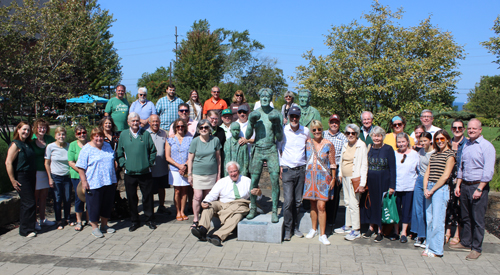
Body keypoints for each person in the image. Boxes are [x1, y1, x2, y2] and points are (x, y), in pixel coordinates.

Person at [451, 119, 496, 260]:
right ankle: (465, 242)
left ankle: (476, 248)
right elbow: (461, 167)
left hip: (478, 186)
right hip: (465, 185)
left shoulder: (486, 146)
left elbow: (488, 171)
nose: (471, 131)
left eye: (474, 129)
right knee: (465, 216)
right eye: (469, 128)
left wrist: (480, 188)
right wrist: (458, 185)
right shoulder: (467, 145)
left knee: (477, 219)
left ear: (480, 130)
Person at [191, 161, 261, 246]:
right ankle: (202, 230)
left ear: (238, 171)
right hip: (222, 204)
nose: (233, 174)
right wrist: (204, 202)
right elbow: (212, 194)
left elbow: (257, 197)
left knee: (237, 216)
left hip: (239, 204)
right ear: (228, 172)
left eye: (235, 171)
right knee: (209, 206)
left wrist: (258, 193)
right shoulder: (222, 181)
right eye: (231, 172)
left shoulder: (247, 181)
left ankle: (217, 236)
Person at [245, 88, 283, 223]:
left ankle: (274, 211)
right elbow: (247, 135)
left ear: (271, 98)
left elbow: (279, 137)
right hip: (258, 148)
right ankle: (253, 208)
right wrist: (250, 122)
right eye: (263, 96)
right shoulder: (255, 113)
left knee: (274, 181)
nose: (265, 98)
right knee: (254, 180)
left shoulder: (276, 114)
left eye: (267, 96)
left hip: (271, 149)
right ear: (259, 98)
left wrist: (277, 124)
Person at [116, 112, 158, 232]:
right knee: (131, 198)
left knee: (148, 197)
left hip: (145, 172)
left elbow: (153, 151)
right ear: (128, 122)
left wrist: (148, 163)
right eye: (133, 121)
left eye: (137, 121)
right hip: (130, 173)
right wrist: (124, 164)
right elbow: (119, 153)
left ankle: (149, 219)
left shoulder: (145, 134)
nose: (135, 123)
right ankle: (135, 221)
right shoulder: (124, 135)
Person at [76, 127, 117, 238]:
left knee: (106, 205)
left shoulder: (107, 146)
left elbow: (113, 161)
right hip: (93, 182)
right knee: (94, 206)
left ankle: (104, 225)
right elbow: (80, 167)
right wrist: (84, 181)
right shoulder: (86, 148)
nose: (99, 139)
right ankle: (94, 227)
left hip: (109, 181)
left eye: (100, 136)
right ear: (92, 137)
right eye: (96, 136)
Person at [422, 130, 455, 257]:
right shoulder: (434, 154)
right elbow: (427, 172)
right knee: (429, 220)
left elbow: (445, 175)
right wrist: (426, 188)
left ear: (447, 139)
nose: (439, 141)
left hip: (440, 189)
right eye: (437, 139)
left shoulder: (450, 155)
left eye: (442, 139)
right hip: (430, 187)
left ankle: (437, 250)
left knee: (438, 221)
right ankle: (429, 246)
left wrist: (432, 189)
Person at [360, 126, 396, 243]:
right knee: (371, 204)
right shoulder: (369, 148)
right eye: (374, 135)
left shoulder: (388, 149)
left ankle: (380, 230)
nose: (376, 138)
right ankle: (371, 227)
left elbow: (392, 169)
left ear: (383, 137)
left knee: (380, 205)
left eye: (379, 135)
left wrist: (392, 186)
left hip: (383, 181)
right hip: (371, 181)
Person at [279, 106, 309, 241]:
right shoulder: (283, 130)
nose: (294, 119)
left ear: (299, 117)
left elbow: (309, 148)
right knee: (288, 201)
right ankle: (287, 229)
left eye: (296, 116)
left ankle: (295, 227)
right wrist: (281, 165)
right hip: (287, 170)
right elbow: (278, 148)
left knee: (297, 201)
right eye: (292, 116)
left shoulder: (305, 131)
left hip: (301, 170)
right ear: (289, 117)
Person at [303, 120, 335, 245]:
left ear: (322, 130)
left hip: (323, 179)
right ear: (311, 131)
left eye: (319, 129)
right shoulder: (307, 143)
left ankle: (323, 234)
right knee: (312, 204)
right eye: (314, 130)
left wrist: (333, 178)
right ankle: (313, 228)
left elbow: (332, 163)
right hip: (310, 177)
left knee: (321, 206)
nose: (317, 132)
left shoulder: (328, 144)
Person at [335, 124, 367, 240]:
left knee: (354, 204)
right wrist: (340, 174)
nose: (350, 135)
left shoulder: (361, 146)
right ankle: (348, 225)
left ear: (357, 134)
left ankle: (356, 229)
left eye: (353, 133)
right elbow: (341, 161)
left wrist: (362, 183)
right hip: (345, 177)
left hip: (355, 178)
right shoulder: (345, 145)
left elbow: (364, 165)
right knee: (347, 202)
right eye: (348, 133)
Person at [187, 119, 221, 230]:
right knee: (197, 197)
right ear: (198, 129)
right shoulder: (195, 141)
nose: (203, 129)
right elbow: (190, 158)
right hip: (197, 173)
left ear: (210, 129)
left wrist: (219, 174)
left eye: (206, 127)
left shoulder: (215, 140)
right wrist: (189, 174)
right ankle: (196, 219)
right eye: (201, 128)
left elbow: (218, 158)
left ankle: (205, 219)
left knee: (208, 198)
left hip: (211, 174)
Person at [5, 122, 37, 237]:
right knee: (29, 202)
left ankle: (30, 226)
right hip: (22, 176)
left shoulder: (27, 143)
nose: (26, 132)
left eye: (28, 130)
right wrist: (12, 180)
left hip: (31, 175)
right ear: (18, 130)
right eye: (24, 130)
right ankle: (25, 230)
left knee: (28, 202)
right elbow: (8, 162)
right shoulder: (16, 144)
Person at [393, 133, 419, 243]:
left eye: (403, 141)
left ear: (407, 142)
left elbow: (418, 170)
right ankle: (395, 231)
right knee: (396, 210)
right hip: (396, 186)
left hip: (409, 186)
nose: (401, 144)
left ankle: (404, 232)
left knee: (406, 210)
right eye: (399, 142)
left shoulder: (414, 154)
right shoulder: (394, 153)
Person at [44, 126, 72, 230]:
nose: (61, 136)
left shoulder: (69, 146)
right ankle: (59, 220)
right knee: (57, 199)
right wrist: (50, 178)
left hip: (67, 176)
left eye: (63, 134)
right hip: (56, 176)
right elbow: (46, 163)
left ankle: (68, 218)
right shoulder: (50, 147)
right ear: (55, 136)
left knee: (68, 198)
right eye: (59, 134)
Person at [166, 118, 193, 221]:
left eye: (182, 126)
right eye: (178, 126)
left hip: (186, 168)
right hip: (174, 169)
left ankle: (183, 211)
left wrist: (185, 165)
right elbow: (167, 157)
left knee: (185, 190)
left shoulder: (189, 139)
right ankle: (177, 211)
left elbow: (191, 154)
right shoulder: (170, 139)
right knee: (177, 190)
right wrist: (179, 166)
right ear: (175, 128)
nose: (180, 128)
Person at [323, 114, 347, 229]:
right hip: (323, 168)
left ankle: (331, 220)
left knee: (335, 195)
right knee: (323, 194)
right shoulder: (323, 134)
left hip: (336, 168)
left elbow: (344, 156)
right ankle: (322, 218)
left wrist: (340, 173)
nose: (334, 124)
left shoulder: (343, 137)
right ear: (329, 123)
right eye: (332, 122)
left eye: (336, 122)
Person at [31, 118, 56, 230]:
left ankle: (43, 219)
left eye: (44, 127)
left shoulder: (49, 139)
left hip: (47, 172)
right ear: (36, 128)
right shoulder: (31, 140)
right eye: (40, 127)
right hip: (35, 172)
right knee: (35, 198)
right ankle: (34, 221)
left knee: (43, 197)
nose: (42, 129)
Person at [411, 131, 435, 248]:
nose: (423, 143)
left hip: (429, 181)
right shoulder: (420, 151)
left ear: (430, 141)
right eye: (421, 141)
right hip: (419, 180)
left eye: (425, 140)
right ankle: (420, 234)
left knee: (427, 210)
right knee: (418, 209)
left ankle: (427, 236)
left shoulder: (434, 153)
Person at [446, 119, 467, 245]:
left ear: (463, 129)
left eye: (460, 128)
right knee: (448, 205)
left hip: (460, 178)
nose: (457, 130)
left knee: (459, 206)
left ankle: (457, 233)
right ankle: (447, 231)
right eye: (454, 128)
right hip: (448, 178)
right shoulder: (448, 142)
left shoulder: (467, 143)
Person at [147, 115, 170, 215]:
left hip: (162, 166)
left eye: (157, 121)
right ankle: (150, 208)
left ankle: (161, 206)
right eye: (153, 121)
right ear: (149, 123)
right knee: (150, 190)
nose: (155, 123)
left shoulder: (164, 133)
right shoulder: (145, 134)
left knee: (162, 188)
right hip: (151, 168)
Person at [67, 125, 88, 231]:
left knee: (89, 197)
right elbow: (71, 162)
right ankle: (79, 221)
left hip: (89, 175)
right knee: (79, 197)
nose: (82, 135)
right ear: (76, 135)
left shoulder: (90, 144)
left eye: (83, 132)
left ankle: (89, 219)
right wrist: (81, 172)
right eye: (79, 133)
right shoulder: (72, 145)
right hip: (76, 176)